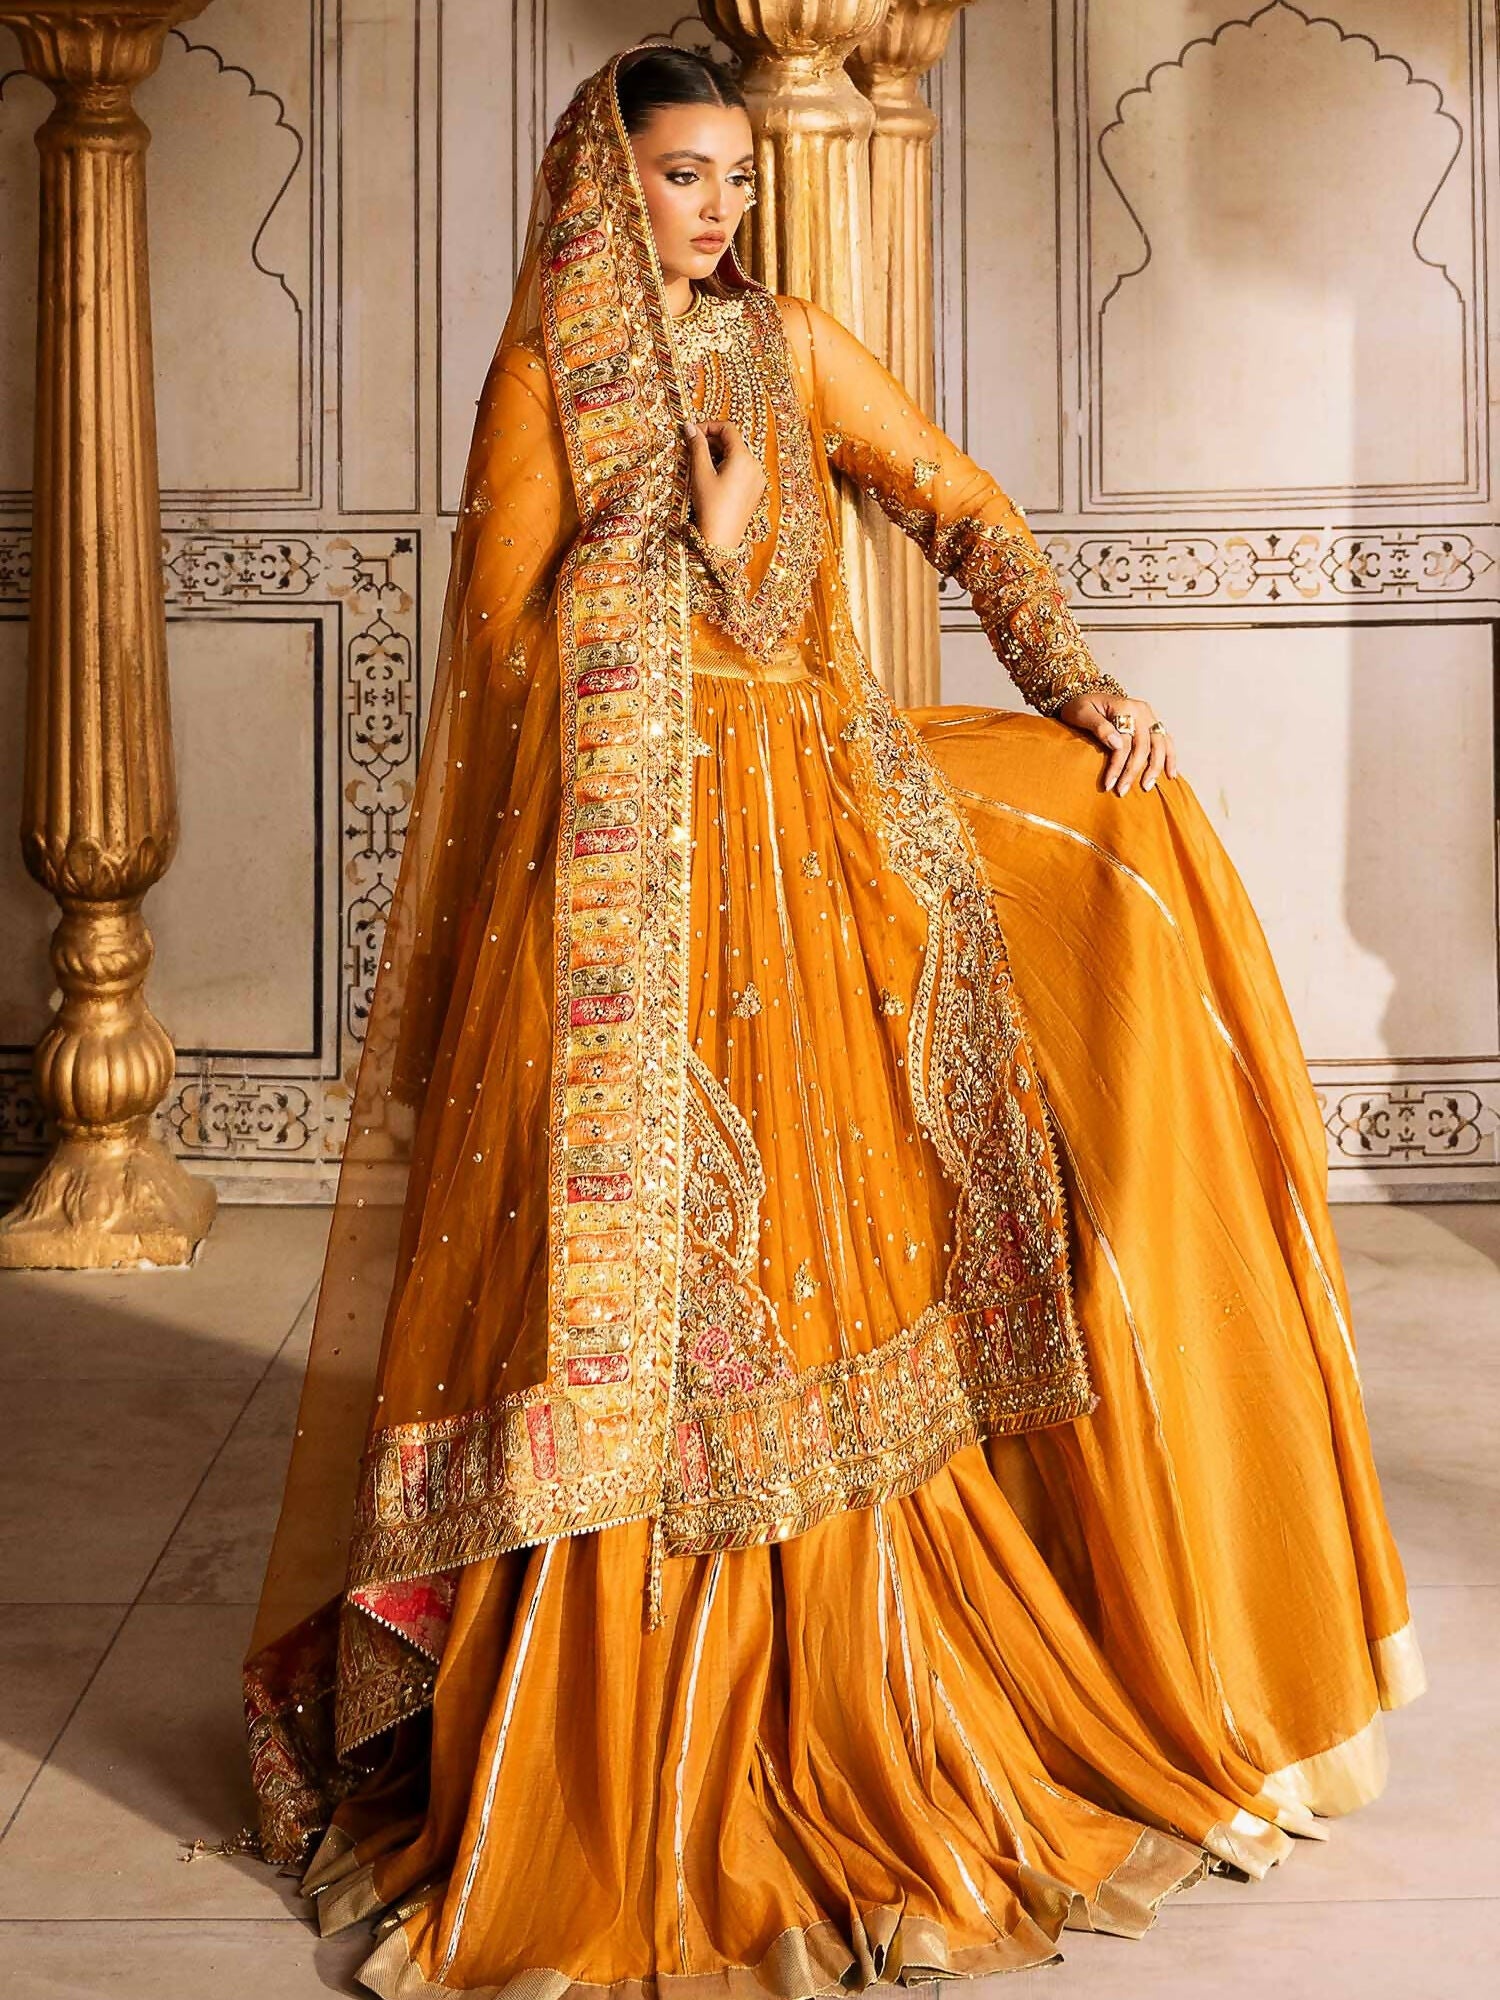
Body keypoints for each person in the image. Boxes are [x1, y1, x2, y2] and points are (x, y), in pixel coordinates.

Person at [242, 42, 1423, 1998]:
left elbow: (957, 498)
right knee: (648, 1307)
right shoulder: (546, 376)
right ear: (602, 181)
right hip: (628, 900)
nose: (716, 209)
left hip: (817, 862)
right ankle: (622, 1713)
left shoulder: (788, 344)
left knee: (847, 1243)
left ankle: (871, 1671)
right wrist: (681, 555)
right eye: (680, 175)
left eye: (732, 175)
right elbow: (503, 658)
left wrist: (1072, 680)